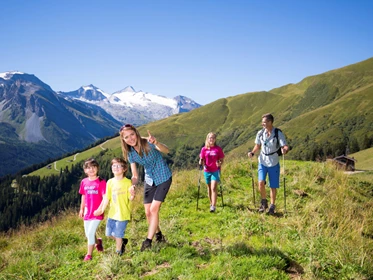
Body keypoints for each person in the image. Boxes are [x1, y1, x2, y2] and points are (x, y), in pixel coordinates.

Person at [119, 124, 172, 251]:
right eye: (127, 137)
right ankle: (159, 235)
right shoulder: (130, 153)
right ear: (124, 140)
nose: (130, 138)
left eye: (132, 134)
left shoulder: (148, 143)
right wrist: (132, 185)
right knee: (148, 213)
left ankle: (148, 241)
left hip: (163, 177)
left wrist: (157, 143)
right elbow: (135, 175)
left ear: (136, 133)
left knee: (154, 210)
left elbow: (167, 151)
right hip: (149, 179)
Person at [248, 113, 289, 215]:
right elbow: (257, 145)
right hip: (262, 160)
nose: (263, 124)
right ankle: (263, 202)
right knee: (261, 182)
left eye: (265, 122)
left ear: (270, 122)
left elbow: (285, 145)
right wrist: (252, 152)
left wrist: (285, 149)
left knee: (272, 186)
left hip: (273, 161)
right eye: (262, 122)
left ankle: (272, 205)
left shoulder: (278, 133)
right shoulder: (260, 133)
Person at [94, 157, 135, 256]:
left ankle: (118, 253)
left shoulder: (128, 182)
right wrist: (102, 210)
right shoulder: (110, 182)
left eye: (118, 166)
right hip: (112, 213)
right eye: (113, 166)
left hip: (123, 213)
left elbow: (131, 198)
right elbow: (107, 198)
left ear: (124, 169)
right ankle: (122, 241)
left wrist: (132, 194)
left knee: (118, 234)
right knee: (108, 234)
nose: (115, 168)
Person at [79, 158, 106, 261]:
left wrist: (100, 209)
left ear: (97, 168)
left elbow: (105, 198)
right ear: (85, 170)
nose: (91, 170)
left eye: (93, 167)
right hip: (87, 211)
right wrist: (81, 209)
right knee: (88, 234)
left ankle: (89, 255)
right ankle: (98, 242)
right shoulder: (84, 182)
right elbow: (83, 196)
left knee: (90, 233)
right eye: (88, 168)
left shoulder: (101, 182)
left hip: (97, 212)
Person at [199, 132, 225, 213]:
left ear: (215, 139)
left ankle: (213, 206)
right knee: (209, 188)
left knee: (213, 187)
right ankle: (211, 203)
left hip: (215, 170)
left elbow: (221, 159)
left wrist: (220, 163)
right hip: (207, 170)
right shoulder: (204, 149)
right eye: (210, 138)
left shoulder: (218, 149)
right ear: (207, 139)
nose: (212, 139)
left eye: (213, 138)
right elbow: (202, 159)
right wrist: (200, 161)